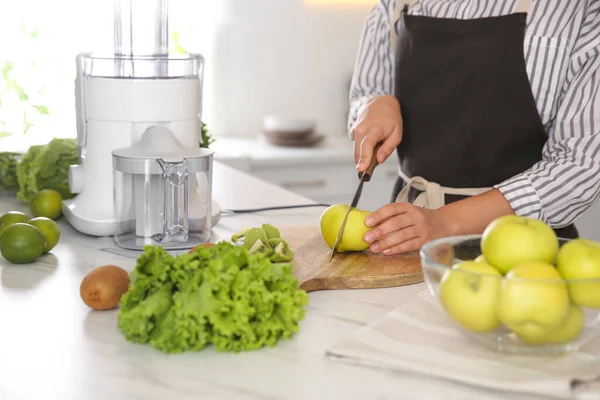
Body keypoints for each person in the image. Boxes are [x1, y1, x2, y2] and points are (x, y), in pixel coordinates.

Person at [349, 0, 600, 256]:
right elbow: (365, 93)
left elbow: (581, 163)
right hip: (411, 243)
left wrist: (444, 222)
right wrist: (374, 103)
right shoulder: (393, 4)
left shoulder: (580, 9)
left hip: (525, 254)